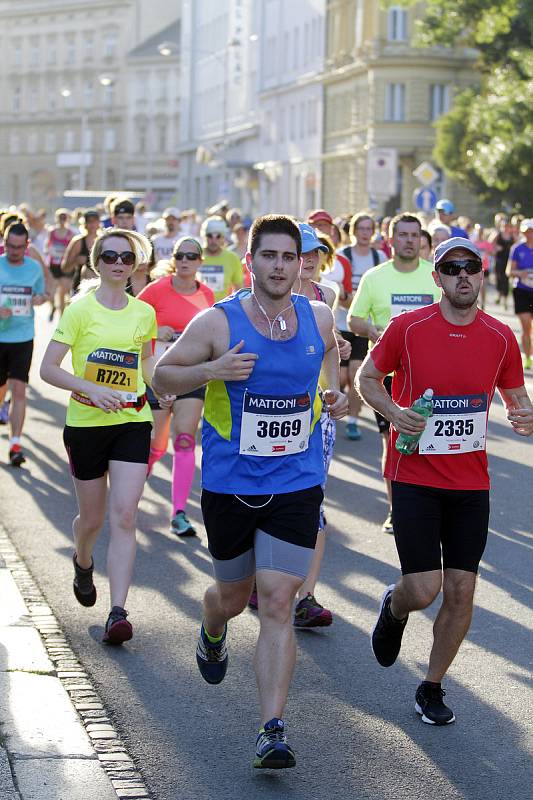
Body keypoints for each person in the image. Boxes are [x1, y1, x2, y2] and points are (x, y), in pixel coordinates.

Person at [152, 214, 347, 769]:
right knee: (233, 599)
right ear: (251, 261)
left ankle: (272, 729)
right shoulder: (218, 321)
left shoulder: (319, 315)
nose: (281, 267)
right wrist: (214, 368)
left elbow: (332, 359)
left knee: (279, 600)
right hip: (231, 482)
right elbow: (163, 378)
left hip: (297, 479)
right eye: (270, 256)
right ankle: (211, 628)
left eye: (290, 257)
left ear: (300, 263)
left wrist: (333, 395)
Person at [356, 236, 533, 726]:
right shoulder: (409, 328)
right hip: (413, 474)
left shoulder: (500, 336)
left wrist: (525, 416)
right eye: (451, 267)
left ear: (481, 275)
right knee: (424, 587)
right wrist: (393, 412)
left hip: (471, 483)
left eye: (471, 267)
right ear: (436, 278)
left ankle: (431, 686)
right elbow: (367, 380)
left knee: (461, 590)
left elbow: (516, 397)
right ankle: (394, 607)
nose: (462, 275)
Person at [40, 228, 164, 644]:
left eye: (126, 258)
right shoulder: (79, 310)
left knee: (125, 515)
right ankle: (83, 558)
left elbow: (144, 367)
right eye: (109, 257)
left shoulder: (143, 313)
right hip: (86, 426)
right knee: (91, 519)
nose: (118, 264)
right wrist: (90, 388)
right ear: (97, 262)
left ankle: (118, 612)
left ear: (135, 264)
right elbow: (49, 368)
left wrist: (165, 383)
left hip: (132, 421)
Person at [348, 213, 437, 534]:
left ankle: (433, 505)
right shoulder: (375, 277)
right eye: (403, 234)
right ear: (390, 239)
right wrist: (373, 331)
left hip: (432, 375)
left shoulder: (436, 276)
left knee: (433, 440)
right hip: (388, 374)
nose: (410, 240)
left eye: (415, 235)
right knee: (393, 440)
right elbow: (354, 319)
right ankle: (395, 508)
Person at [138, 236, 215, 535]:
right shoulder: (157, 289)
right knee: (156, 444)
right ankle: (131, 490)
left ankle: (179, 513)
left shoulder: (208, 296)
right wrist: (156, 329)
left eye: (191, 256)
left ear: (199, 262)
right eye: (180, 255)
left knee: (184, 439)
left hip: (191, 377)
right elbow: (130, 319)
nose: (184, 260)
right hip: (156, 376)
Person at [0, 222, 48, 465]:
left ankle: (15, 445)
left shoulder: (34, 267)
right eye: (9, 245)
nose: (13, 251)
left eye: (19, 247)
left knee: (19, 390)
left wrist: (39, 298)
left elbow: (42, 294)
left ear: (27, 246)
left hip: (22, 337)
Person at [337, 213, 386, 440]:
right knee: (341, 376)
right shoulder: (342, 256)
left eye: (369, 228)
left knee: (357, 373)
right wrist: (354, 301)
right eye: (361, 229)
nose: (365, 233)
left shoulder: (380, 256)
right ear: (353, 231)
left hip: (364, 326)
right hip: (340, 322)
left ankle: (353, 421)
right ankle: (336, 413)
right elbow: (339, 292)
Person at [197, 216, 243, 301]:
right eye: (210, 236)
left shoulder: (232, 258)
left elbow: (239, 289)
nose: (214, 240)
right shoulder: (195, 255)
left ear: (223, 238)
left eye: (218, 236)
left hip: (220, 310)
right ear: (204, 236)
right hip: (196, 308)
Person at [507, 218, 533, 369]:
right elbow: (509, 271)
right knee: (526, 325)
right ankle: (528, 357)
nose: (529, 234)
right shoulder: (517, 248)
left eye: (531, 231)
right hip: (522, 290)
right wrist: (521, 273)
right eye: (526, 232)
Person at [61, 209, 101, 293]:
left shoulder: (104, 241)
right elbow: (64, 268)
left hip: (101, 287)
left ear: (99, 223)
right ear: (85, 224)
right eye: (89, 221)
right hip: (80, 288)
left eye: (95, 221)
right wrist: (76, 261)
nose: (92, 224)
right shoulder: (78, 242)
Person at [46, 209, 75, 319]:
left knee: (63, 291)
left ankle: (62, 318)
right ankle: (53, 306)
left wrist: (65, 253)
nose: (62, 220)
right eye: (60, 218)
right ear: (57, 219)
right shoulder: (52, 232)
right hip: (53, 264)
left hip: (64, 265)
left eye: (64, 218)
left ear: (67, 219)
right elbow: (47, 246)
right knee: (52, 292)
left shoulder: (70, 234)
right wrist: (51, 251)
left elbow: (72, 249)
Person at [491, 216, 515, 308]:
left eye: (508, 226)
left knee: (506, 279)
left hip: (509, 261)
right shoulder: (498, 234)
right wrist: (496, 248)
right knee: (499, 278)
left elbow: (517, 245)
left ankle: (505, 301)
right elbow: (490, 244)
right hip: (499, 260)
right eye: (504, 226)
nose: (506, 228)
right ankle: (499, 295)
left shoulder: (512, 236)